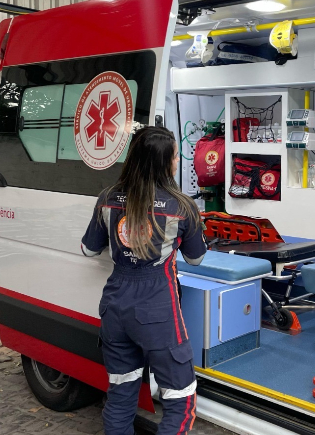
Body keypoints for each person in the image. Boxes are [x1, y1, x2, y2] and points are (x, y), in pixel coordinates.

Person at [81, 126, 206, 435]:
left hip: (114, 306)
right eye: (175, 156)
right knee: (180, 400)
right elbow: (196, 258)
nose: (177, 161)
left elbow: (88, 249)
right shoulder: (182, 206)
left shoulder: (107, 198)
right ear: (165, 163)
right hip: (157, 309)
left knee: (121, 395)